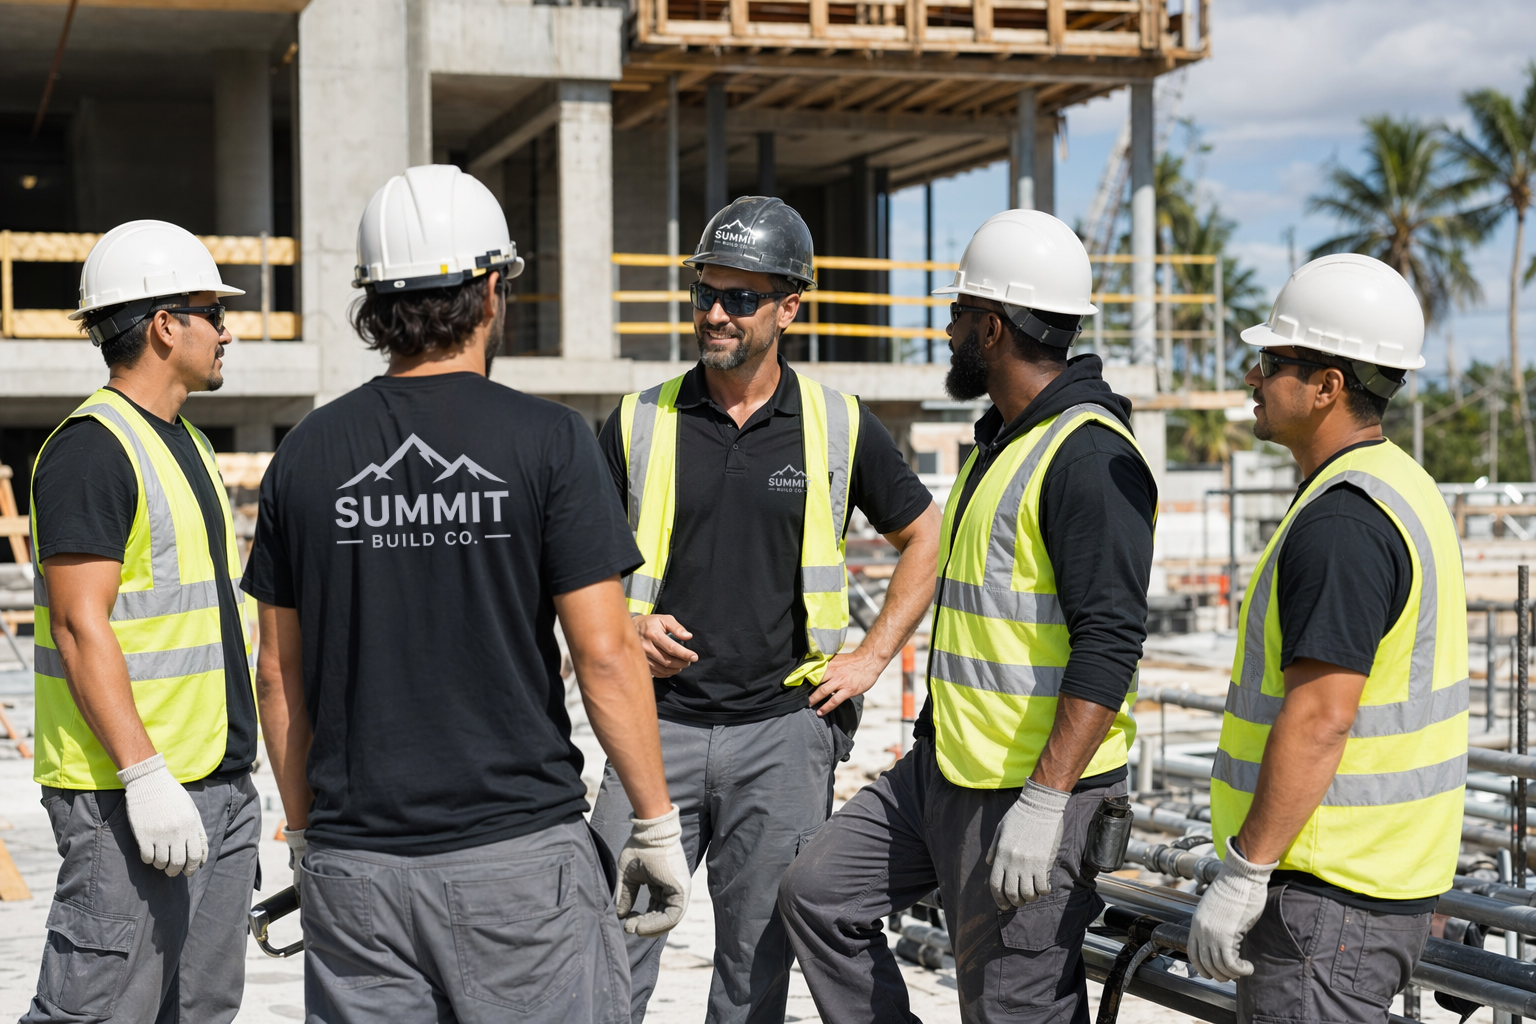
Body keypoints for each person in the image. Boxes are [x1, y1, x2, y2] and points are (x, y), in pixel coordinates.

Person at [244, 164, 689, 1024]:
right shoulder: (551, 441)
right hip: (518, 867)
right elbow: (602, 655)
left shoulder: (305, 453)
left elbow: (278, 673)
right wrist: (655, 823)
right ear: (491, 291)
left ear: (373, 302)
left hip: (356, 868)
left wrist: (303, 834)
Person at [778, 209, 1157, 1024]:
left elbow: (1111, 641)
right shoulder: (1009, 439)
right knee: (817, 895)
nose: (946, 332)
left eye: (956, 317)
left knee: (1011, 1010)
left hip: (1031, 793)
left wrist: (1048, 801)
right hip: (948, 769)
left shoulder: (1088, 457)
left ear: (991, 327)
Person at [588, 195, 941, 1024]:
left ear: (789, 307)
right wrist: (627, 625)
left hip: (782, 738)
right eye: (706, 293)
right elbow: (574, 569)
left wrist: (871, 658)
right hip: (652, 729)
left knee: (754, 973)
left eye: (740, 298)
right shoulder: (641, 422)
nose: (716, 313)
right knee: (605, 949)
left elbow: (926, 537)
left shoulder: (837, 425)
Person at [1186, 253, 1468, 1023]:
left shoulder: (1343, 521)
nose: (1252, 377)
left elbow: (1321, 720)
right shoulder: (1401, 486)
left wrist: (1244, 872)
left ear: (1327, 386)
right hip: (1376, 887)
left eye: (1272, 361)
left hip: (1327, 901)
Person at [22, 220, 257, 1024]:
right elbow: (79, 626)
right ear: (164, 325)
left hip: (214, 781)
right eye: (211, 313)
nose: (228, 330)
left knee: (198, 1008)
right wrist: (144, 776)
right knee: (95, 1011)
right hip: (130, 795)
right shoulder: (93, 450)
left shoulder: (186, 441)